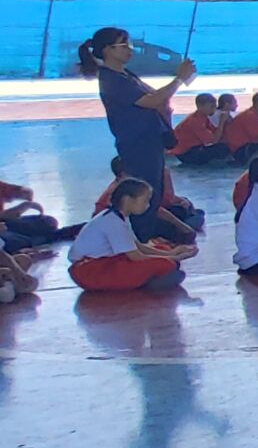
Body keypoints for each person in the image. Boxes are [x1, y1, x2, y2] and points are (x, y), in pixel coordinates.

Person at [77, 26, 196, 228]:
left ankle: (148, 233)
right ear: (107, 50)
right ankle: (140, 235)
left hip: (149, 141)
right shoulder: (112, 80)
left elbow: (157, 98)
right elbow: (152, 100)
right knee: (143, 194)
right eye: (123, 45)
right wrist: (179, 79)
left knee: (154, 194)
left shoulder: (125, 75)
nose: (130, 49)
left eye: (129, 44)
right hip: (138, 144)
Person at [68, 177, 194, 292]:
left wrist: (170, 253)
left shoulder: (120, 216)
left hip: (103, 262)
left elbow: (136, 246)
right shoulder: (113, 222)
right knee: (165, 264)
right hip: (90, 271)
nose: (148, 205)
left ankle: (154, 276)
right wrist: (173, 258)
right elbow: (136, 256)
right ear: (128, 200)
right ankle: (150, 280)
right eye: (145, 201)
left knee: (163, 249)